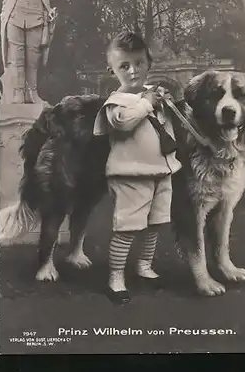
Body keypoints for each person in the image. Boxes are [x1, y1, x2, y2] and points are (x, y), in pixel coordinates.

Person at [93, 31, 183, 304]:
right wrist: (147, 103)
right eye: (125, 66)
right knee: (127, 227)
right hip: (130, 174)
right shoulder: (115, 103)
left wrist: (163, 101)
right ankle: (116, 278)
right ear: (112, 70)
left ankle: (144, 266)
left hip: (160, 171)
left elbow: (168, 125)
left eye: (139, 63)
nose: (134, 71)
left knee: (154, 225)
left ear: (148, 63)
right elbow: (123, 124)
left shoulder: (152, 97)